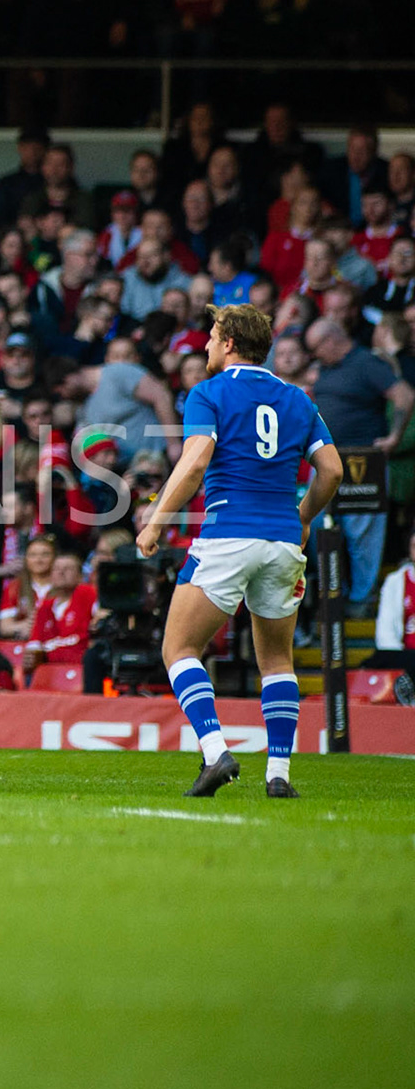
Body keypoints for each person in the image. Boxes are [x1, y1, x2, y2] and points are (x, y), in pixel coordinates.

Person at [137, 305, 344, 799]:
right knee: (277, 660)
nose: (206, 346)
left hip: (229, 534)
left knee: (179, 649)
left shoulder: (208, 393)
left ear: (229, 342)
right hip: (281, 543)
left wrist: (155, 522)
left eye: (211, 337)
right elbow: (332, 471)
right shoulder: (297, 398)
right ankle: (279, 775)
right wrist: (303, 517)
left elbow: (193, 464)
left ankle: (215, 753)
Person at [306, 317, 415, 612]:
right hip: (326, 459)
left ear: (332, 340)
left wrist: (394, 436)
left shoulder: (366, 362)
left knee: (362, 534)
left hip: (362, 461)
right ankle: (333, 591)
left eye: (317, 348)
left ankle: (360, 598)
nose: (315, 354)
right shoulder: (325, 368)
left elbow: (404, 394)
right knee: (314, 525)